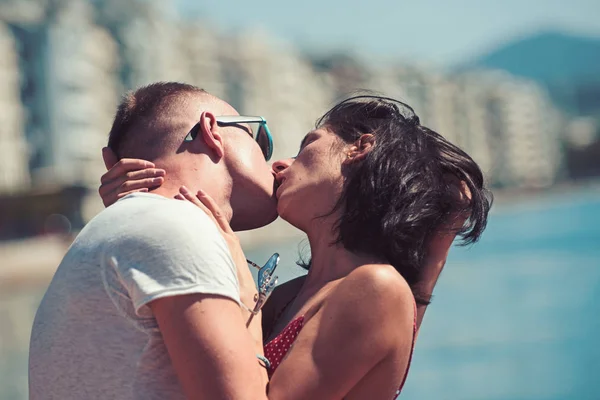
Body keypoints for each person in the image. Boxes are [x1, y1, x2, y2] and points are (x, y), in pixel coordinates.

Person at [100, 93, 492, 399]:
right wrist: (137, 208)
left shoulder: (378, 287)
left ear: (359, 148)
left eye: (307, 145)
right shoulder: (288, 296)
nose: (278, 164)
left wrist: (240, 278)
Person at [29, 82, 277, 400]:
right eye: (262, 140)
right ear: (213, 130)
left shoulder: (122, 228)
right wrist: (249, 301)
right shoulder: (176, 227)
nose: (275, 161)